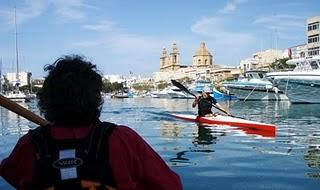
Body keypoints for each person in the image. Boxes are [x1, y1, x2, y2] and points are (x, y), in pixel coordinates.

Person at [0, 55, 182, 190]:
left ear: (47, 99)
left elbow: (12, 174)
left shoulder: (29, 145)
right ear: (95, 98)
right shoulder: (123, 140)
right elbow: (171, 186)